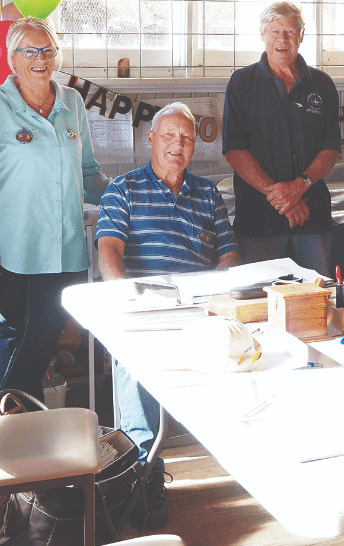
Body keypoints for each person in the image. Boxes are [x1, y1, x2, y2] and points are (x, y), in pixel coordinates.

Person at [97, 102, 240, 529]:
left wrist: (212, 289)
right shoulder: (123, 189)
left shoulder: (208, 193)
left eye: (187, 137)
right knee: (135, 366)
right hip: (143, 309)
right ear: (151, 140)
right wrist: (129, 300)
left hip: (198, 309)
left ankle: (249, 461)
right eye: (169, 136)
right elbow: (109, 251)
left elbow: (229, 255)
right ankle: (145, 484)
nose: (178, 144)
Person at [0, 17, 109, 401]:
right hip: (8, 250)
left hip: (64, 247)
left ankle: (3, 419)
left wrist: (130, 195)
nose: (41, 58)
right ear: (12, 59)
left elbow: (89, 172)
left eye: (48, 50)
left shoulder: (72, 103)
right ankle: (20, 432)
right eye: (30, 51)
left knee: (43, 333)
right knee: (16, 337)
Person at [222, 2, 340, 275]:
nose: (282, 39)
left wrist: (299, 187)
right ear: (263, 35)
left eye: (290, 31)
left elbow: (330, 147)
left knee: (316, 301)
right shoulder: (241, 83)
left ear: (301, 35)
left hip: (313, 219)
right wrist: (281, 197)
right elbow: (234, 149)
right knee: (259, 303)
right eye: (275, 31)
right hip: (258, 220)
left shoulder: (322, 85)